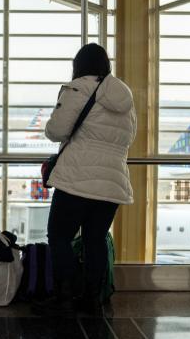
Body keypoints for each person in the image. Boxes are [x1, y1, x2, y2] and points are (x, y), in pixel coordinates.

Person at [33, 43, 136, 315]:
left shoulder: (77, 89)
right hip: (113, 180)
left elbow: (56, 131)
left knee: (59, 236)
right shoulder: (123, 96)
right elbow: (129, 137)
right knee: (95, 240)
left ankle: (66, 295)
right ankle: (92, 298)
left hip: (77, 178)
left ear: (78, 65)